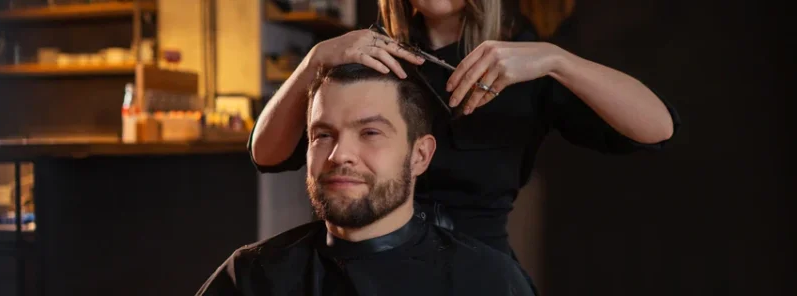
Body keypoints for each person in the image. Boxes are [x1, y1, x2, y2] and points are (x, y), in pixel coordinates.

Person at [248, 0, 681, 285]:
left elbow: (657, 127)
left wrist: (557, 60)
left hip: (475, 278)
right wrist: (313, 60)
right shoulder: (372, 54)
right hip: (365, 268)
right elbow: (265, 154)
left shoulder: (526, 60)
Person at [196, 62, 535, 296]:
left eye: (370, 132)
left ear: (420, 156)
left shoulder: (488, 281)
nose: (339, 154)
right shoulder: (252, 277)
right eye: (323, 135)